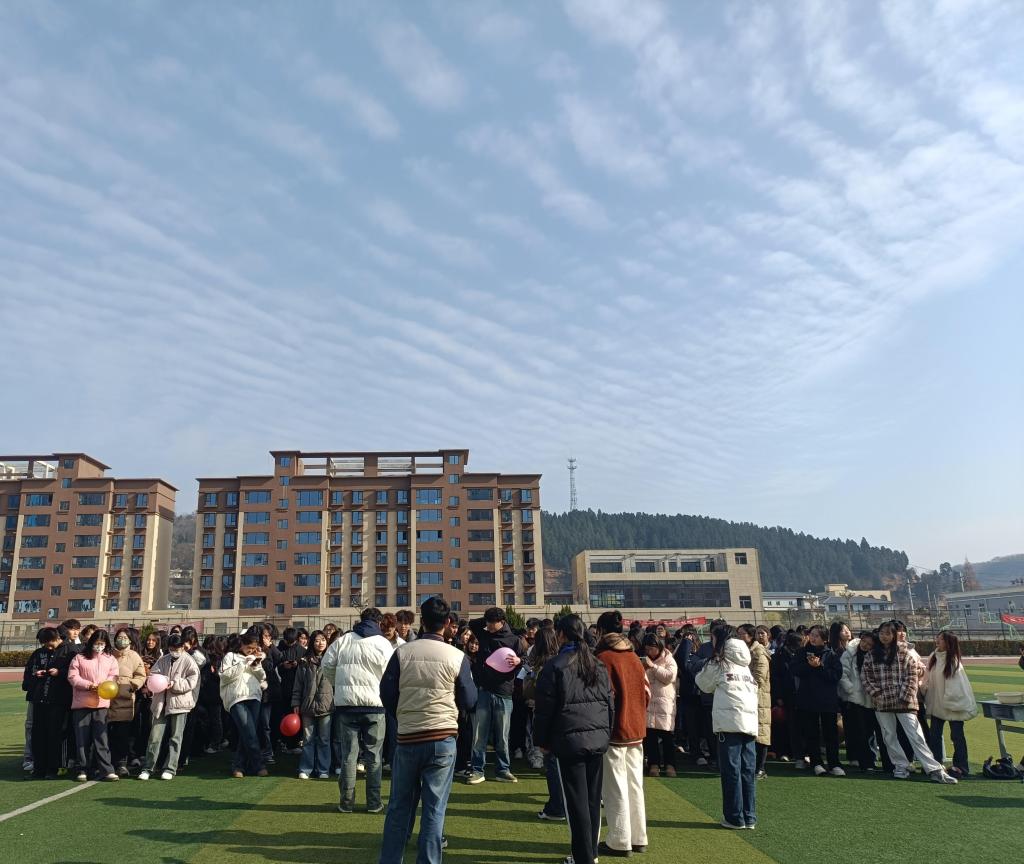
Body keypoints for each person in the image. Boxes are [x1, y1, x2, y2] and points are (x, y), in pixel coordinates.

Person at [378, 597, 477, 864]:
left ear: (421, 621)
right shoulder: (457, 656)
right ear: (448, 623)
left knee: (399, 807)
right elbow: (469, 699)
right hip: (442, 737)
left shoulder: (402, 653)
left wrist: (403, 714)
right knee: (434, 810)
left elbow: (387, 693)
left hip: (408, 736)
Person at [535, 614, 613, 864]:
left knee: (577, 803)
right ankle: (590, 854)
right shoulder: (596, 663)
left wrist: (542, 740)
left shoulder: (556, 665)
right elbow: (609, 702)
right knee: (592, 801)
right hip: (596, 737)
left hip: (570, 740)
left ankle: (584, 857)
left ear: (561, 634)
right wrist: (607, 732)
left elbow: (544, 709)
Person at [860, 621, 957, 784]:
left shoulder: (904, 652)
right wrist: (876, 694)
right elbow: (866, 677)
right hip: (882, 702)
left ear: (894, 635)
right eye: (882, 633)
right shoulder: (871, 655)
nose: (884, 636)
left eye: (888, 633)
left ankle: (934, 769)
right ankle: (901, 766)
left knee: (916, 735)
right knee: (889, 736)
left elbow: (912, 675)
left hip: (904, 702)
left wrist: (904, 696)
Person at [322, 607, 394, 813]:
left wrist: (339, 684)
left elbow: (326, 665)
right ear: (379, 622)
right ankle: (374, 802)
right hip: (375, 706)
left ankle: (346, 802)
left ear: (360, 620)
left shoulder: (343, 640)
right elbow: (391, 673)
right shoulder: (383, 643)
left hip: (347, 705)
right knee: (374, 757)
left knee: (349, 756)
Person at [595, 610, 650, 857]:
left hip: (614, 729)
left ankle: (619, 840)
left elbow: (603, 698)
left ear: (600, 631)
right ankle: (639, 837)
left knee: (614, 786)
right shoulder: (634, 657)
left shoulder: (603, 658)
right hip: (636, 727)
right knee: (635, 783)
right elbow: (647, 693)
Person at [695, 624, 759, 830]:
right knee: (747, 771)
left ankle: (734, 817)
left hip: (728, 723)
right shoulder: (744, 663)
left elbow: (703, 683)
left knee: (731, 771)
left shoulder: (719, 662)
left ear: (719, 640)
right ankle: (749, 817)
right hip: (749, 722)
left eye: (713, 638)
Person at [467, 606, 524, 784]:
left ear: (502, 622)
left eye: (493, 622)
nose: (489, 625)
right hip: (484, 690)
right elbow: (471, 623)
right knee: (480, 734)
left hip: (504, 692)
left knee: (502, 736)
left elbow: (525, 660)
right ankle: (477, 770)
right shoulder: (484, 634)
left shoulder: (514, 639)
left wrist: (519, 660)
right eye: (488, 622)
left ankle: (503, 770)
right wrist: (486, 618)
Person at [138, 633, 200, 780]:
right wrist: (159, 681)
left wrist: (174, 683)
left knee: (175, 737)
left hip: (180, 704)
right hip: (161, 703)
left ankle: (170, 768)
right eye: (171, 649)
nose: (174, 651)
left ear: (182, 647)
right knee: (155, 737)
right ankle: (148, 767)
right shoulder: (163, 660)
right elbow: (153, 675)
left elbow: (192, 681)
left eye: (176, 649)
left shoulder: (189, 661)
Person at [67, 629, 120, 782]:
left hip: (101, 704)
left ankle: (106, 769)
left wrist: (104, 685)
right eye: (97, 643)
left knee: (101, 739)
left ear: (106, 644)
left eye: (102, 643)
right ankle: (82, 769)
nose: (99, 646)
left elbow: (113, 676)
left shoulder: (110, 659)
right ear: (91, 643)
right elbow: (72, 677)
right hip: (82, 704)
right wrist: (89, 685)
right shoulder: (79, 658)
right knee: (82, 739)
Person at [923, 630, 977, 778]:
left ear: (949, 643)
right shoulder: (934, 657)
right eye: (937, 638)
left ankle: (961, 766)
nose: (937, 641)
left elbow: (957, 686)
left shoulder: (953, 661)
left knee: (957, 737)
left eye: (941, 639)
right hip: (937, 704)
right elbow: (928, 678)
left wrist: (951, 702)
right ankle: (935, 764)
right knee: (934, 735)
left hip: (953, 706)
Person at [792, 624, 845, 777]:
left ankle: (834, 763)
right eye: (811, 635)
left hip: (828, 700)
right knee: (811, 733)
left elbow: (835, 676)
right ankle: (816, 763)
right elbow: (795, 670)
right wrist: (809, 666)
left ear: (824, 639)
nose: (813, 638)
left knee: (831, 733)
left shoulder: (831, 655)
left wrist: (819, 666)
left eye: (817, 635)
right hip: (807, 699)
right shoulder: (801, 652)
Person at [23, 627, 73, 779]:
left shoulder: (69, 651)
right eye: (45, 643)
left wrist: (60, 673)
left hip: (59, 701)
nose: (48, 647)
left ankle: (53, 768)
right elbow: (29, 672)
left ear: (57, 638)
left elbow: (74, 673)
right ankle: (39, 768)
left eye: (50, 643)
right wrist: (35, 674)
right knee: (38, 735)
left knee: (55, 735)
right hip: (39, 699)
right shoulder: (38, 653)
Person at [526, 627, 566, 820]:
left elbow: (539, 695)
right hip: (566, 717)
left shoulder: (544, 665)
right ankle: (562, 804)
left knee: (553, 762)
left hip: (548, 715)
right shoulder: (563, 660)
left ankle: (557, 806)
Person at [219, 632, 269, 778]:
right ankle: (258, 765)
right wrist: (243, 663)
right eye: (249, 647)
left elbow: (262, 677)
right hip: (237, 698)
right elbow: (224, 676)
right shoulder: (230, 656)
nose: (251, 650)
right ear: (241, 644)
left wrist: (256, 664)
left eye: (254, 648)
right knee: (249, 732)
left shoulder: (254, 657)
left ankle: (239, 766)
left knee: (246, 733)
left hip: (254, 697)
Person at [292, 630, 335, 780]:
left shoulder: (331, 660)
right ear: (312, 643)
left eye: (323, 640)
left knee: (324, 739)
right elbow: (298, 684)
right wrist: (296, 702)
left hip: (326, 705)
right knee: (308, 739)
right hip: (307, 706)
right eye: (317, 640)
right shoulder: (304, 662)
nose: (320, 643)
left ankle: (323, 769)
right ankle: (305, 769)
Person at [840, 631, 885, 772]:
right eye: (864, 641)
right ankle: (865, 763)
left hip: (870, 699)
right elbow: (843, 673)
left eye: (869, 644)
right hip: (854, 699)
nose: (865, 645)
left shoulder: (874, 656)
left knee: (870, 731)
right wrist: (851, 690)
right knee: (860, 731)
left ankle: (870, 760)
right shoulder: (849, 653)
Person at [108, 628, 146, 777]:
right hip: (108, 699)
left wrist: (132, 685)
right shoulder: (109, 655)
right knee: (108, 734)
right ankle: (108, 762)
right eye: (119, 637)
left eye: (125, 637)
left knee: (122, 734)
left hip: (125, 699)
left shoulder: (134, 656)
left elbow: (141, 676)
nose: (122, 640)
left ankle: (122, 763)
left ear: (130, 640)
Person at [641, 633, 677, 778]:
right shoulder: (644, 659)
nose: (649, 652)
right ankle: (653, 764)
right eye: (647, 649)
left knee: (667, 735)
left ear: (658, 646)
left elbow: (670, 676)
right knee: (651, 735)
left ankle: (670, 765)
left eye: (651, 648)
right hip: (650, 702)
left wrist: (653, 667)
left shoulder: (669, 658)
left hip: (664, 703)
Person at [738, 624, 772, 778]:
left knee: (761, 732)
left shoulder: (758, 652)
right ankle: (751, 766)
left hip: (758, 697)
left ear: (750, 636)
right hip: (747, 696)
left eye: (742, 634)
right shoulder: (744, 651)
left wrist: (742, 685)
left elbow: (759, 678)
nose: (739, 637)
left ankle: (760, 768)